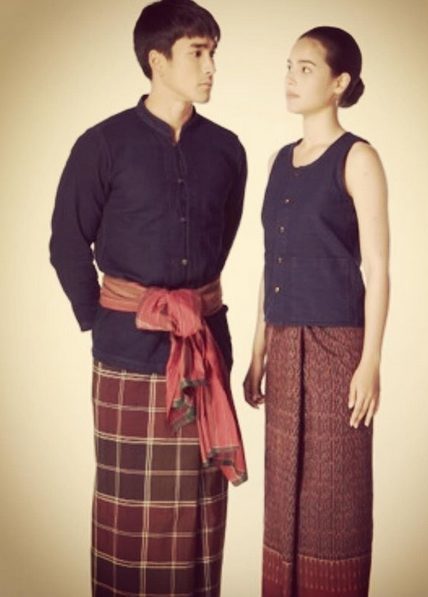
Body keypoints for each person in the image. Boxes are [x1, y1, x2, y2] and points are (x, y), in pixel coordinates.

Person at [49, 1, 247, 595]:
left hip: (204, 350)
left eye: (214, 53)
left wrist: (191, 309)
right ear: (157, 61)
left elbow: (221, 241)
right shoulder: (102, 144)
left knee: (200, 514)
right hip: (128, 355)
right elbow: (66, 243)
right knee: (128, 515)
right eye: (198, 53)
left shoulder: (227, 150)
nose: (211, 67)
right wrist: (105, 319)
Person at [244, 26, 390, 597]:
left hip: (338, 347)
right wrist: (258, 350)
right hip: (283, 344)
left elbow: (378, 267)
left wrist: (370, 361)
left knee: (335, 496)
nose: (290, 77)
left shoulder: (358, 158)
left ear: (339, 83)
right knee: (283, 489)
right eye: (288, 66)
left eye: (305, 68)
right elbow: (270, 262)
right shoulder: (279, 161)